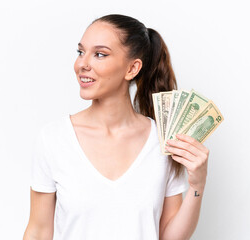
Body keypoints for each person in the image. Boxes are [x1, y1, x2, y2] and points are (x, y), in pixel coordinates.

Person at [23, 14, 210, 240]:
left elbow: (170, 237)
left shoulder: (163, 141)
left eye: (100, 54)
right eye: (81, 52)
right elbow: (39, 231)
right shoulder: (54, 139)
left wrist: (197, 185)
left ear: (132, 68)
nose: (82, 64)